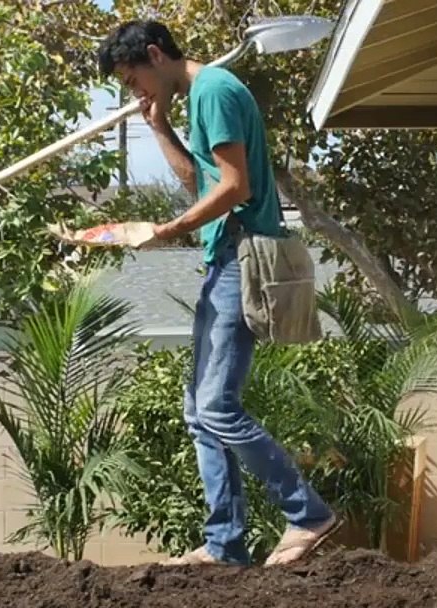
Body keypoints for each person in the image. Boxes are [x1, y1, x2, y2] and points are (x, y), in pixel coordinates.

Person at [97, 21, 338, 566]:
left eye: (134, 79)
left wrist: (166, 231)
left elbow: (235, 187)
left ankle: (308, 513)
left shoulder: (215, 91)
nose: (134, 91)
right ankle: (224, 543)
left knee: (217, 406)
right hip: (221, 257)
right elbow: (199, 184)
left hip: (240, 255)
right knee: (198, 411)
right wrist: (160, 127)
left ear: (155, 55)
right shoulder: (197, 98)